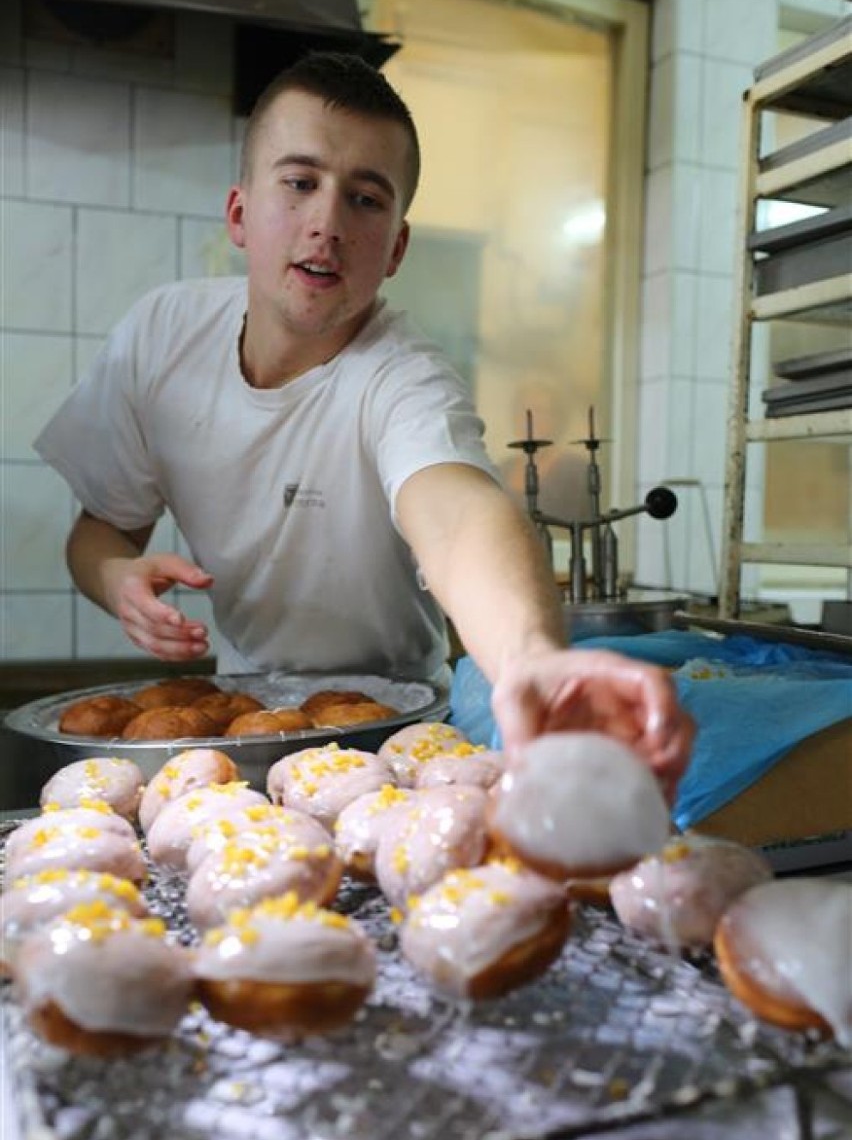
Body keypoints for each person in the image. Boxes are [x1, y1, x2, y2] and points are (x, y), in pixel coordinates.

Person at [34, 51, 693, 798]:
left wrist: (532, 663)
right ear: (240, 214)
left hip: (397, 735)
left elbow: (457, 517)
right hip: (239, 722)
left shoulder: (401, 377)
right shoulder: (162, 337)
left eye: (366, 200)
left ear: (397, 248)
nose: (327, 223)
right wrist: (118, 578)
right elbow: (100, 533)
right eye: (300, 182)